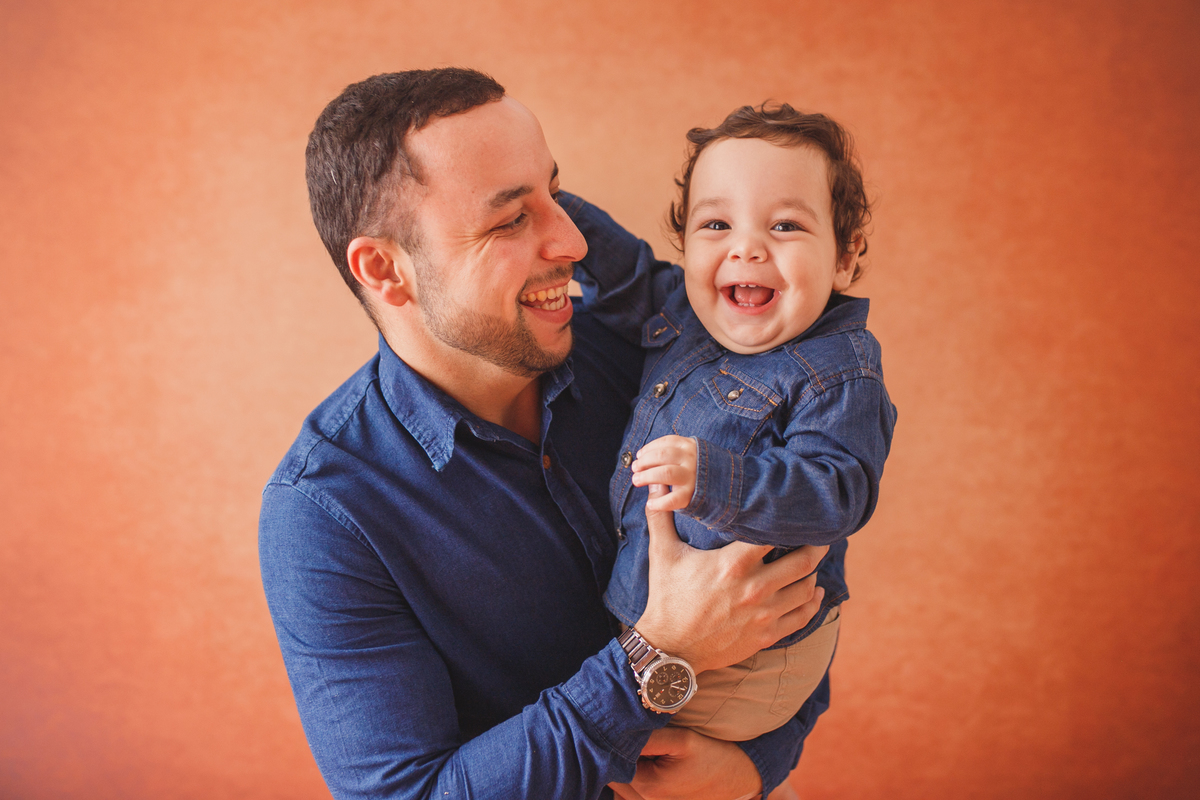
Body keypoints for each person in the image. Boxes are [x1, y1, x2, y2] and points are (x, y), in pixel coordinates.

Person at [259, 68, 832, 800]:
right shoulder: (324, 513)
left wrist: (758, 766)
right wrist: (655, 654)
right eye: (509, 221)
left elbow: (802, 581)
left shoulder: (649, 355)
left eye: (553, 196)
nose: (570, 242)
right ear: (386, 269)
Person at [571, 104, 896, 743]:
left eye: (785, 225)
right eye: (715, 223)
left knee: (624, 758)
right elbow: (625, 275)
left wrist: (715, 478)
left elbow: (836, 492)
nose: (745, 246)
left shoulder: (837, 370)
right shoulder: (686, 310)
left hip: (753, 656)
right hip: (670, 626)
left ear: (844, 255)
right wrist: (556, 210)